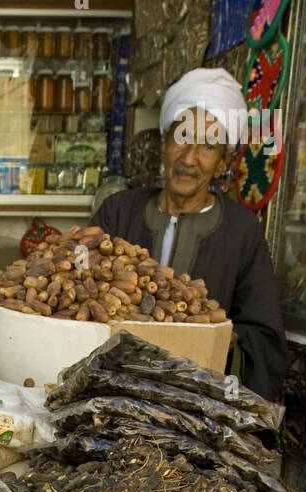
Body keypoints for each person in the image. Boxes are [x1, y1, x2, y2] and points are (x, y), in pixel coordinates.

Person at [95, 67, 289, 401]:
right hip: (111, 394)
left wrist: (222, 339)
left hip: (194, 407)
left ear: (224, 158)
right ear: (164, 141)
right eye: (181, 138)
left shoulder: (242, 233)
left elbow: (264, 338)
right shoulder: (118, 212)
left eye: (208, 146)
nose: (189, 159)